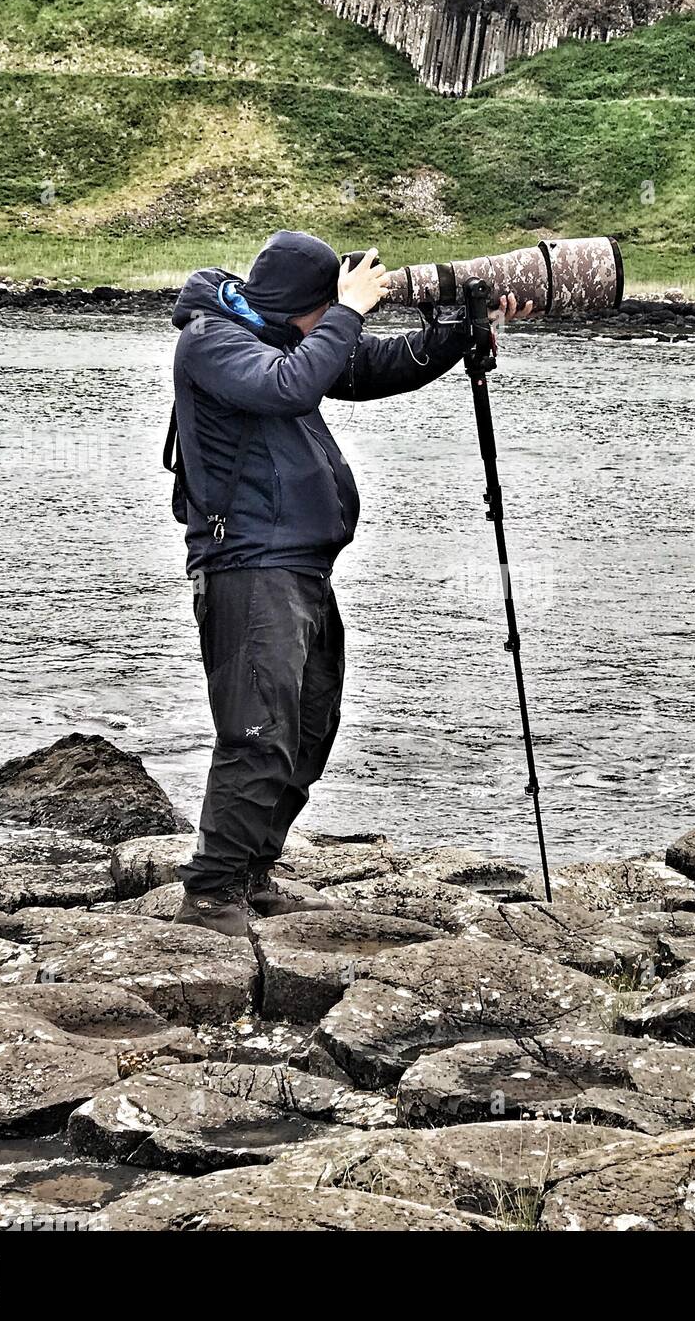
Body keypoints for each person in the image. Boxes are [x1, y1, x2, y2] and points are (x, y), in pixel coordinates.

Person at [166, 229, 527, 934]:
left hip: (299, 564)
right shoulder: (213, 340)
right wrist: (351, 309)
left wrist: (459, 331)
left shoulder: (274, 335)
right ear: (305, 302)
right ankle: (210, 895)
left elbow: (366, 369)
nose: (330, 320)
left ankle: (252, 873)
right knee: (258, 730)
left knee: (309, 727)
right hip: (247, 563)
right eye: (324, 306)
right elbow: (291, 385)